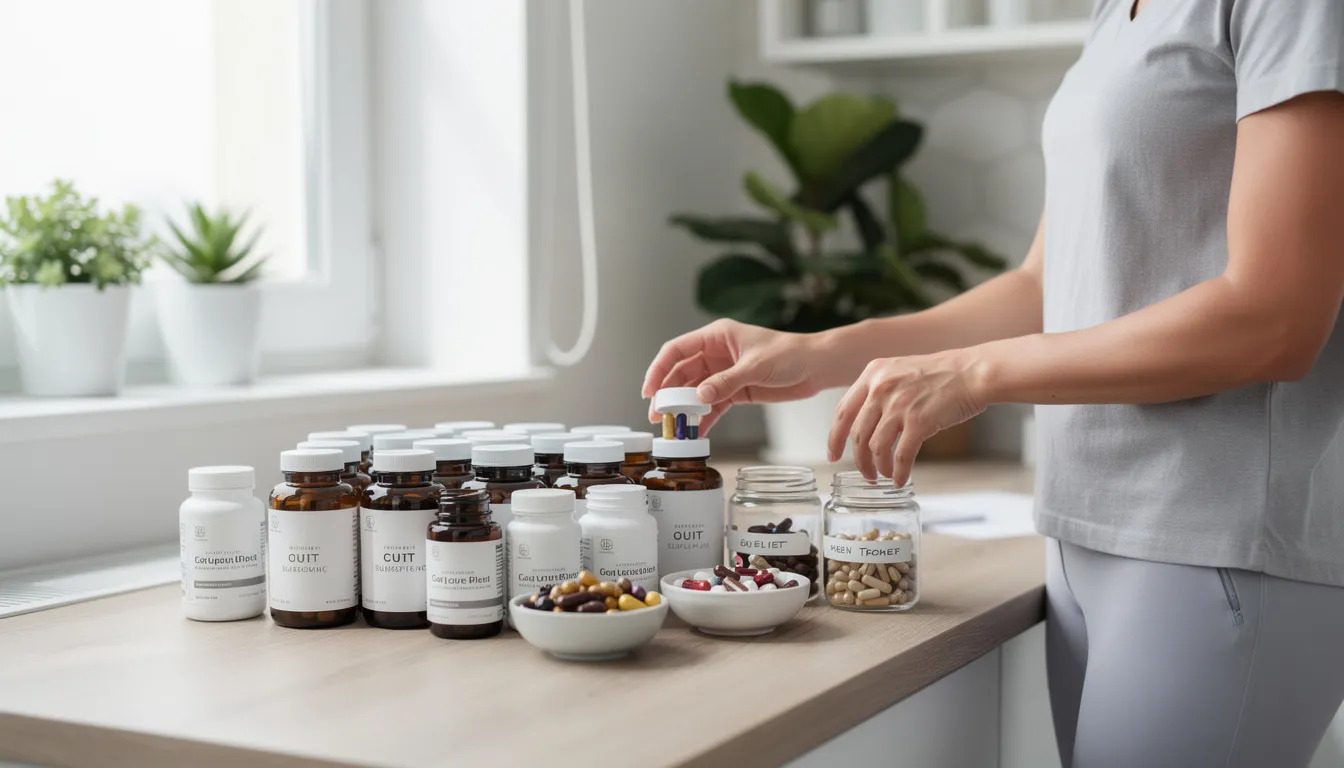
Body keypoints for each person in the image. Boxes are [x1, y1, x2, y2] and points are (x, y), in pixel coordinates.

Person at [642, 1, 1344, 765]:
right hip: (1083, 530)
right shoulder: (1121, 10)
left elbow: (1275, 316)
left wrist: (975, 375)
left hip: (1218, 539)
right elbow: (1045, 286)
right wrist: (819, 352)